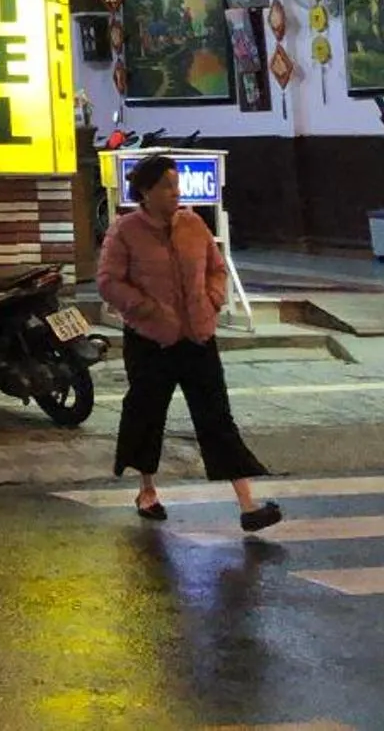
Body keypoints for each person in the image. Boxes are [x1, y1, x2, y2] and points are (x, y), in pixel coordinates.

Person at [97, 153, 281, 532]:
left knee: (217, 418)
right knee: (147, 415)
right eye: (166, 185)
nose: (174, 192)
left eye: (176, 184)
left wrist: (212, 300)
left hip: (198, 337)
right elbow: (109, 282)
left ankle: (247, 504)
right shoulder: (125, 231)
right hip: (151, 340)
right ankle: (147, 491)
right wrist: (146, 308)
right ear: (145, 192)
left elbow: (216, 268)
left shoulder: (194, 224)